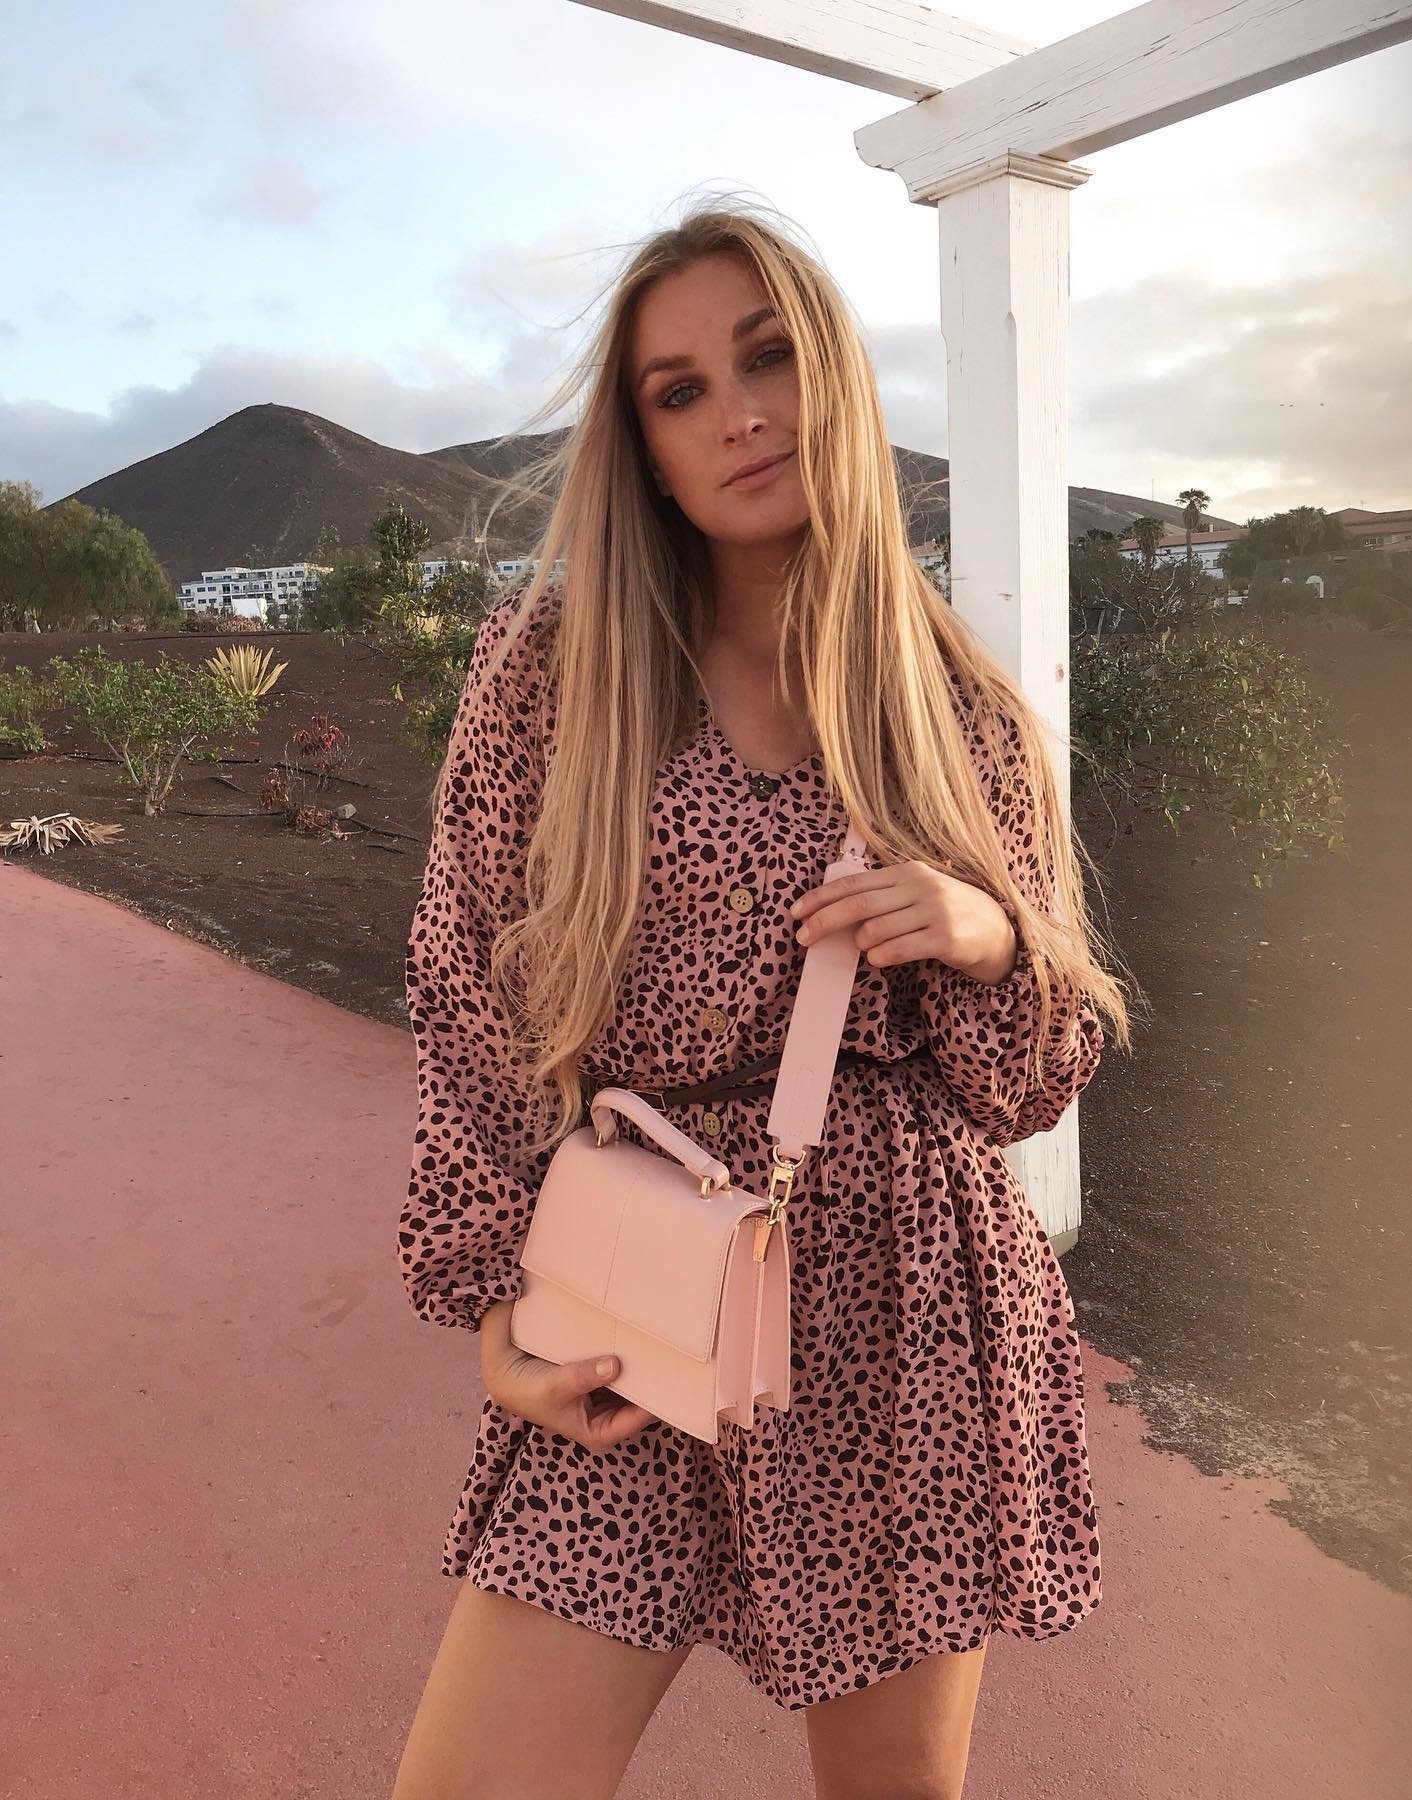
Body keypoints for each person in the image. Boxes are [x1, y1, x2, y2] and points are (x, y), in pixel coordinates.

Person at [390, 199, 1132, 1800]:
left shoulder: (955, 711)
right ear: (646, 449)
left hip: (903, 1311)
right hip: (645, 1284)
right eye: (681, 390)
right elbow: (465, 991)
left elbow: (1035, 1079)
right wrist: (493, 1307)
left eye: (769, 356)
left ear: (834, 376)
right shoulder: (554, 671)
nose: (738, 412)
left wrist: (986, 940)